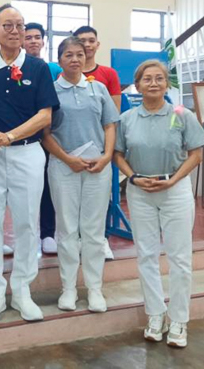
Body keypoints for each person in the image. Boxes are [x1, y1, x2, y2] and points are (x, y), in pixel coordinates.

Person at [0, 3, 60, 323]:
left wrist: (9, 136)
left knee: (25, 222)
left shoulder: (38, 68)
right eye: (8, 25)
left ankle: (22, 291)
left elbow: (45, 115)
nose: (16, 31)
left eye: (20, 26)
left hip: (27, 153)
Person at [114, 59, 204, 349]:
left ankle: (179, 320)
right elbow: (118, 154)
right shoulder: (127, 119)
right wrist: (133, 178)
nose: (153, 83)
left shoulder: (181, 114)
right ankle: (155, 315)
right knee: (146, 255)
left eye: (159, 79)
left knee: (180, 257)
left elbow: (196, 154)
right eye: (147, 79)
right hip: (140, 191)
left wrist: (172, 180)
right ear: (137, 84)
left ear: (167, 84)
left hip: (175, 190)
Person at [42, 37, 119, 313]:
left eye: (79, 54)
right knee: (66, 230)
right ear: (59, 60)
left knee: (94, 231)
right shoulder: (50, 91)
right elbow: (45, 134)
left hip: (97, 166)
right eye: (68, 55)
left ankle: (95, 289)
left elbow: (110, 125)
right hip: (63, 166)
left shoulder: (97, 89)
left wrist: (107, 156)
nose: (75, 60)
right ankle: (68, 289)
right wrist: (67, 159)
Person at [74, 25, 122, 261]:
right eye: (82, 41)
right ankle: (76, 240)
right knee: (72, 201)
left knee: (99, 199)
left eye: (91, 40)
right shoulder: (65, 74)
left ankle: (99, 240)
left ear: (97, 44)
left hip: (100, 149)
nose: (87, 44)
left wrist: (108, 152)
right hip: (71, 151)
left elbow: (113, 114)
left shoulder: (108, 75)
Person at [23, 22, 62, 255]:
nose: (33, 41)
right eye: (29, 37)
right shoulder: (16, 68)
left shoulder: (54, 69)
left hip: (47, 137)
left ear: (43, 41)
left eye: (37, 37)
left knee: (47, 187)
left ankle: (47, 233)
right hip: (21, 140)